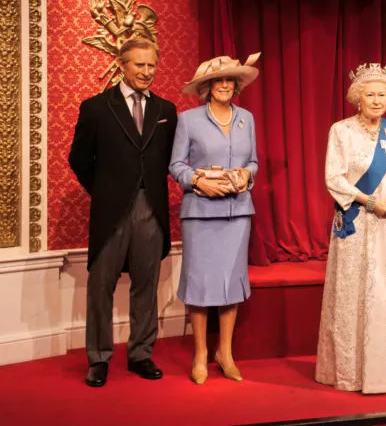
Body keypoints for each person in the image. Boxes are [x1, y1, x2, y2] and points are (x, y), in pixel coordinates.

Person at [68, 37, 177, 387]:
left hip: (151, 209)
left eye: (151, 65)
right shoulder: (96, 107)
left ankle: (141, 353)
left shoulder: (166, 110)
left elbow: (168, 158)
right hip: (110, 210)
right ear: (122, 65)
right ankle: (99, 358)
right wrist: (105, 192)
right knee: (100, 286)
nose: (146, 71)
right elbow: (78, 159)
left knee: (146, 285)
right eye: (139, 64)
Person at [315, 63, 386, 394]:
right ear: (358, 98)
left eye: (381, 95)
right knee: (353, 292)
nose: (376, 101)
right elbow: (334, 178)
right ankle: (350, 372)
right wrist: (371, 202)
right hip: (357, 221)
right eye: (370, 95)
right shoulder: (341, 131)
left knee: (385, 290)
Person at [169, 53, 260, 384]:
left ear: (236, 85)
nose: (224, 85)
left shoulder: (246, 118)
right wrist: (198, 181)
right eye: (218, 80)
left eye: (229, 80)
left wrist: (245, 175)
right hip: (201, 213)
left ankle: (226, 353)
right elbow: (176, 165)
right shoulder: (188, 120)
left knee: (230, 282)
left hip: (238, 213)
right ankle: (200, 354)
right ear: (206, 87)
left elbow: (253, 162)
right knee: (200, 283)